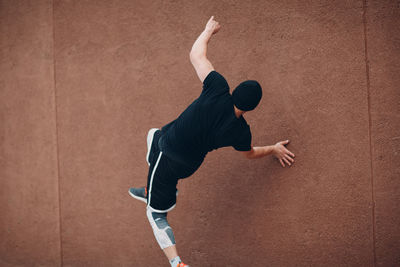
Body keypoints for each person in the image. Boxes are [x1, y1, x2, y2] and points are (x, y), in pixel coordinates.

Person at [129, 16, 295, 267]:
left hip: (169, 155)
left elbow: (196, 55)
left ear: (235, 89)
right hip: (189, 163)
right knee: (153, 134)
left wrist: (207, 31)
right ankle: (154, 189)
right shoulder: (240, 131)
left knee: (155, 215)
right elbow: (249, 154)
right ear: (252, 107)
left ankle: (176, 263)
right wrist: (273, 148)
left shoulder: (217, 87)